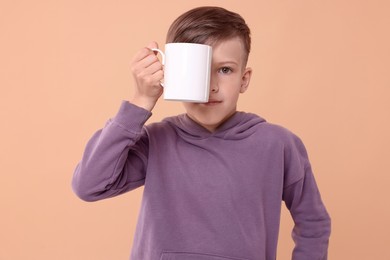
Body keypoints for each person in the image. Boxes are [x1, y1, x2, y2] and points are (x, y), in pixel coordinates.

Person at [72, 6, 331, 260]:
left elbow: (313, 222)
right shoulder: (156, 141)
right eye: (198, 70)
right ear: (171, 74)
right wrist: (141, 100)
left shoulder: (278, 144)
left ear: (244, 79)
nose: (211, 85)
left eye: (225, 70)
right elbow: (89, 185)